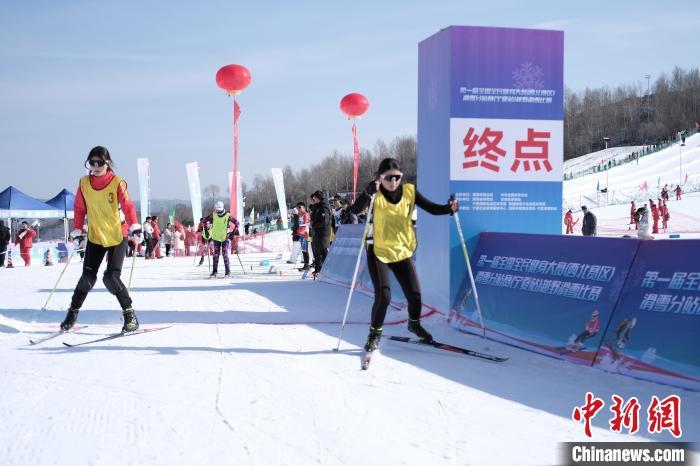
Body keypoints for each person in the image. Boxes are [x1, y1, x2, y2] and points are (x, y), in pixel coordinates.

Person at [351, 158, 458, 352]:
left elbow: (431, 208)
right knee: (384, 296)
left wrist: (448, 209)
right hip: (378, 250)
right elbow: (354, 210)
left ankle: (414, 324)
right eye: (388, 178)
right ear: (380, 177)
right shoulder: (375, 193)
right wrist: (366, 193)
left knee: (415, 295)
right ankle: (374, 334)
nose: (393, 182)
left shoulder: (409, 191)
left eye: (397, 177)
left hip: (401, 249)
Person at [60, 146, 141, 333]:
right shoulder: (84, 183)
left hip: (117, 235)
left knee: (111, 278)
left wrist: (134, 225)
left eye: (100, 163)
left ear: (108, 163)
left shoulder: (117, 182)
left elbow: (128, 206)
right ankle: (72, 314)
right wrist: (78, 230)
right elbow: (79, 209)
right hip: (96, 236)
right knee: (87, 278)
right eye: (92, 162)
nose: (96, 167)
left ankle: (130, 315)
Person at [204, 201, 239, 278]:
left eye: (218, 210)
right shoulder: (213, 214)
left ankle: (227, 272)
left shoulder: (227, 215)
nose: (217, 211)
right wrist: (206, 229)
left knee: (224, 254)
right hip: (216, 237)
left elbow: (237, 223)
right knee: (215, 255)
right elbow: (204, 221)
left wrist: (233, 232)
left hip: (225, 238)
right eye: (216, 209)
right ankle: (214, 272)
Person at [309, 190, 332, 274]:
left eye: (315, 198)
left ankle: (327, 269)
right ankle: (318, 268)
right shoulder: (316, 207)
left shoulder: (324, 207)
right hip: (316, 233)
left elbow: (324, 221)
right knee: (316, 252)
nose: (313, 199)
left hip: (323, 233)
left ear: (319, 198)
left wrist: (313, 224)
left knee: (323, 251)